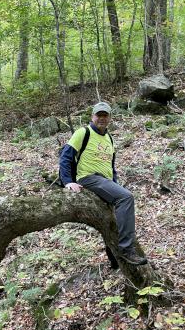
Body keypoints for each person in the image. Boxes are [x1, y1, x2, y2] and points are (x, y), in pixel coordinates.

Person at [59, 101, 147, 267]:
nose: (102, 118)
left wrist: (115, 185)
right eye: (99, 115)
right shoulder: (82, 133)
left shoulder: (109, 138)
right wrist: (68, 182)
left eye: (105, 115)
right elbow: (66, 157)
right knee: (126, 198)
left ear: (109, 118)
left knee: (113, 218)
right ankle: (127, 250)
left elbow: (111, 166)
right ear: (92, 116)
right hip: (88, 177)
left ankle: (114, 259)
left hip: (105, 181)